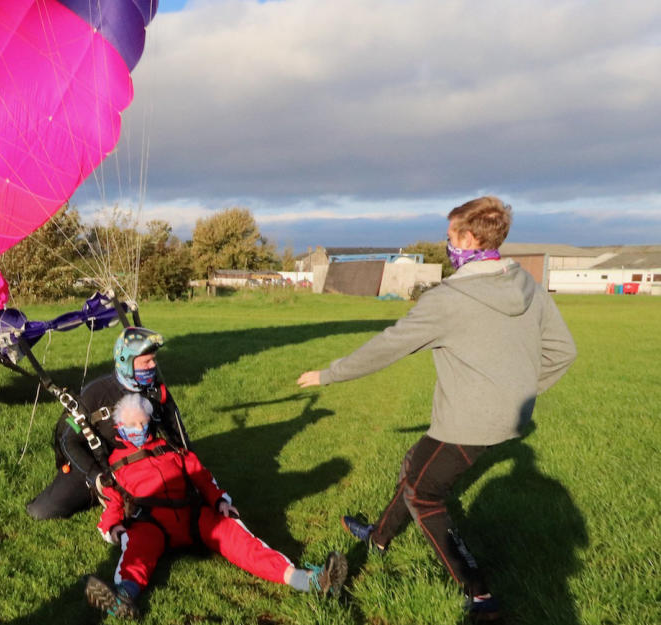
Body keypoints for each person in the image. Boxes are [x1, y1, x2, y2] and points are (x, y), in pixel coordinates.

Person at [296, 196, 577, 622]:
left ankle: (480, 595)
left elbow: (388, 345)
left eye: (449, 237)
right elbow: (563, 352)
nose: (446, 246)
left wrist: (329, 374)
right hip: (495, 418)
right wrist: (515, 393)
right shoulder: (529, 286)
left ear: (468, 237)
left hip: (468, 423)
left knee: (422, 494)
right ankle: (380, 538)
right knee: (415, 466)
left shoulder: (450, 297)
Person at [83, 393, 347, 619]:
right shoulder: (116, 467)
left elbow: (203, 478)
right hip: (151, 524)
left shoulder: (171, 449)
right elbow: (113, 503)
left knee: (236, 538)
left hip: (191, 516)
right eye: (133, 424)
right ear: (120, 427)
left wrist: (220, 501)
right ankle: (123, 596)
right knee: (138, 549)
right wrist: (113, 528)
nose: (140, 428)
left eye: (143, 422)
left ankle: (309, 581)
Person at [26, 326, 190, 520]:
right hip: (98, 464)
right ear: (125, 361)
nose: (153, 366)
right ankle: (101, 495)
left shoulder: (156, 392)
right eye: (146, 361)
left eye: (154, 360)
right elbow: (68, 441)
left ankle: (124, 496)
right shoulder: (94, 394)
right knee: (41, 511)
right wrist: (95, 477)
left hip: (138, 462)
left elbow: (177, 436)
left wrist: (188, 470)